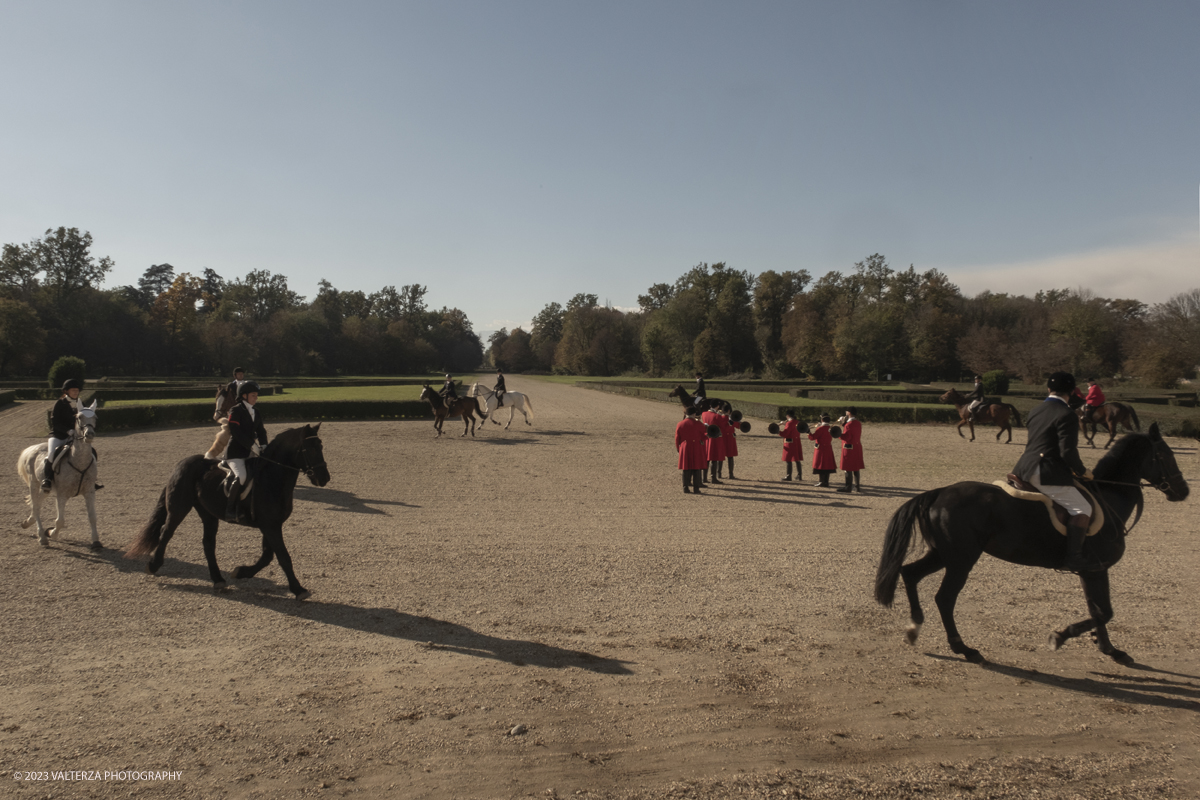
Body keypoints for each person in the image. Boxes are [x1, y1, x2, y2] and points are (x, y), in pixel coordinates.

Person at [1012, 371, 1099, 572]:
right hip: (1045, 471)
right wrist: (1082, 470)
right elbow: (1067, 452)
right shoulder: (1067, 414)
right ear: (1071, 391)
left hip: (1023, 468)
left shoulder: (1036, 410)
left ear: (1048, 389)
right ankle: (1074, 557)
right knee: (1082, 509)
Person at [43, 379, 101, 491]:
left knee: (91, 452)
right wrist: (67, 431)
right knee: (51, 454)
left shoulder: (81, 403)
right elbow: (55, 423)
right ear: (66, 391)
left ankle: (92, 480)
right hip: (58, 435)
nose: (75, 392)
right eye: (73, 390)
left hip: (75, 437)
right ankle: (47, 480)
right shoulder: (59, 403)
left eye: (77, 390)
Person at [224, 380, 268, 522]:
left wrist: (264, 446)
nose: (256, 398)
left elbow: (261, 431)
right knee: (242, 476)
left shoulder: (256, 411)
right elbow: (236, 432)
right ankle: (229, 509)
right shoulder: (235, 410)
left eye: (256, 395)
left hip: (251, 453)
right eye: (253, 395)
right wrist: (252, 446)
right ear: (244, 396)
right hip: (235, 454)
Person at [675, 405, 707, 494]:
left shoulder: (680, 424)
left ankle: (685, 487)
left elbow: (677, 438)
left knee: (686, 468)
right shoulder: (698, 424)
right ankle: (696, 489)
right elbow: (703, 436)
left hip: (685, 446)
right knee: (696, 468)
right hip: (696, 446)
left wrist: (678, 448)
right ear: (694, 413)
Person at [836, 407, 864, 493]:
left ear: (849, 413)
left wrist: (838, 434)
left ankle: (848, 487)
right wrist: (844, 424)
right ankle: (857, 486)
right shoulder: (858, 423)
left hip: (849, 447)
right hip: (857, 446)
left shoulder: (848, 424)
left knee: (847, 467)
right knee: (856, 467)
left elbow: (846, 437)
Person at [808, 414, 836, 487]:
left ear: (822, 420)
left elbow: (812, 437)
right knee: (827, 465)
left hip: (820, 448)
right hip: (828, 448)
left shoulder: (820, 429)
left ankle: (821, 481)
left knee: (821, 465)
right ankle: (826, 481)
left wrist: (808, 432)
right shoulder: (830, 428)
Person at [700, 404, 726, 484]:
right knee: (714, 459)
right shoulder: (717, 416)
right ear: (717, 406)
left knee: (706, 459)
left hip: (706, 438)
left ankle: (704, 477)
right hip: (715, 439)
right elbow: (722, 427)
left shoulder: (704, 414)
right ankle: (713, 478)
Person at [778, 410, 804, 481]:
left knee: (788, 459)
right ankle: (799, 475)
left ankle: (789, 475)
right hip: (796, 441)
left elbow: (785, 434)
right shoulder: (797, 422)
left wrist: (778, 431)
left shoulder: (789, 423)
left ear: (788, 416)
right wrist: (785, 424)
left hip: (789, 442)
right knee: (797, 459)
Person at [719, 406, 739, 479]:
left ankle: (719, 473)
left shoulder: (719, 418)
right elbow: (738, 426)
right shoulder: (731, 419)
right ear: (728, 411)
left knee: (720, 457)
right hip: (730, 439)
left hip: (722, 438)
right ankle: (731, 474)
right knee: (730, 457)